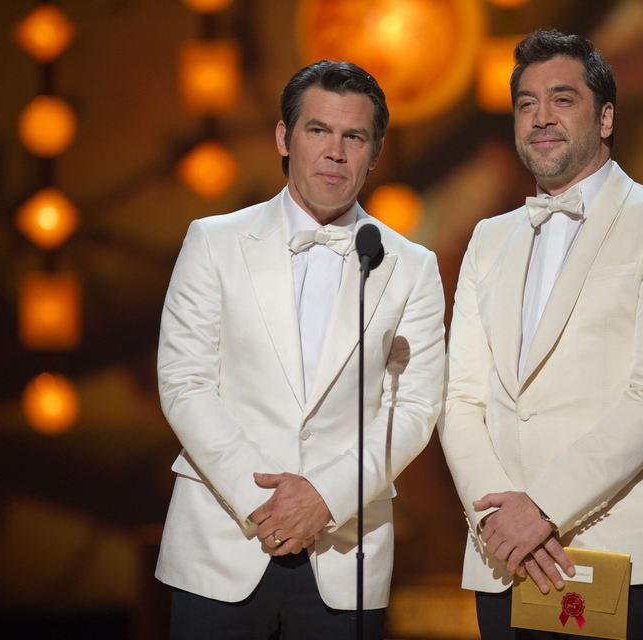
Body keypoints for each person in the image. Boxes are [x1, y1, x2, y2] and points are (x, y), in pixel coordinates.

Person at [155, 60, 445, 639]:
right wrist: (266, 506)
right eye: (318, 130)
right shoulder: (213, 242)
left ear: (375, 151)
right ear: (285, 138)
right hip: (222, 546)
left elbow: (414, 410)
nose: (335, 152)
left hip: (346, 555)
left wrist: (324, 498)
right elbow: (184, 383)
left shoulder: (412, 266)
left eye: (353, 136)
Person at [439, 29, 643, 639]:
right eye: (526, 103)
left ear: (606, 116)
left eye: (562, 99)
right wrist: (496, 519)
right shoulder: (488, 237)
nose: (541, 117)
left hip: (611, 545)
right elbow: (460, 399)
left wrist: (542, 510)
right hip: (502, 555)